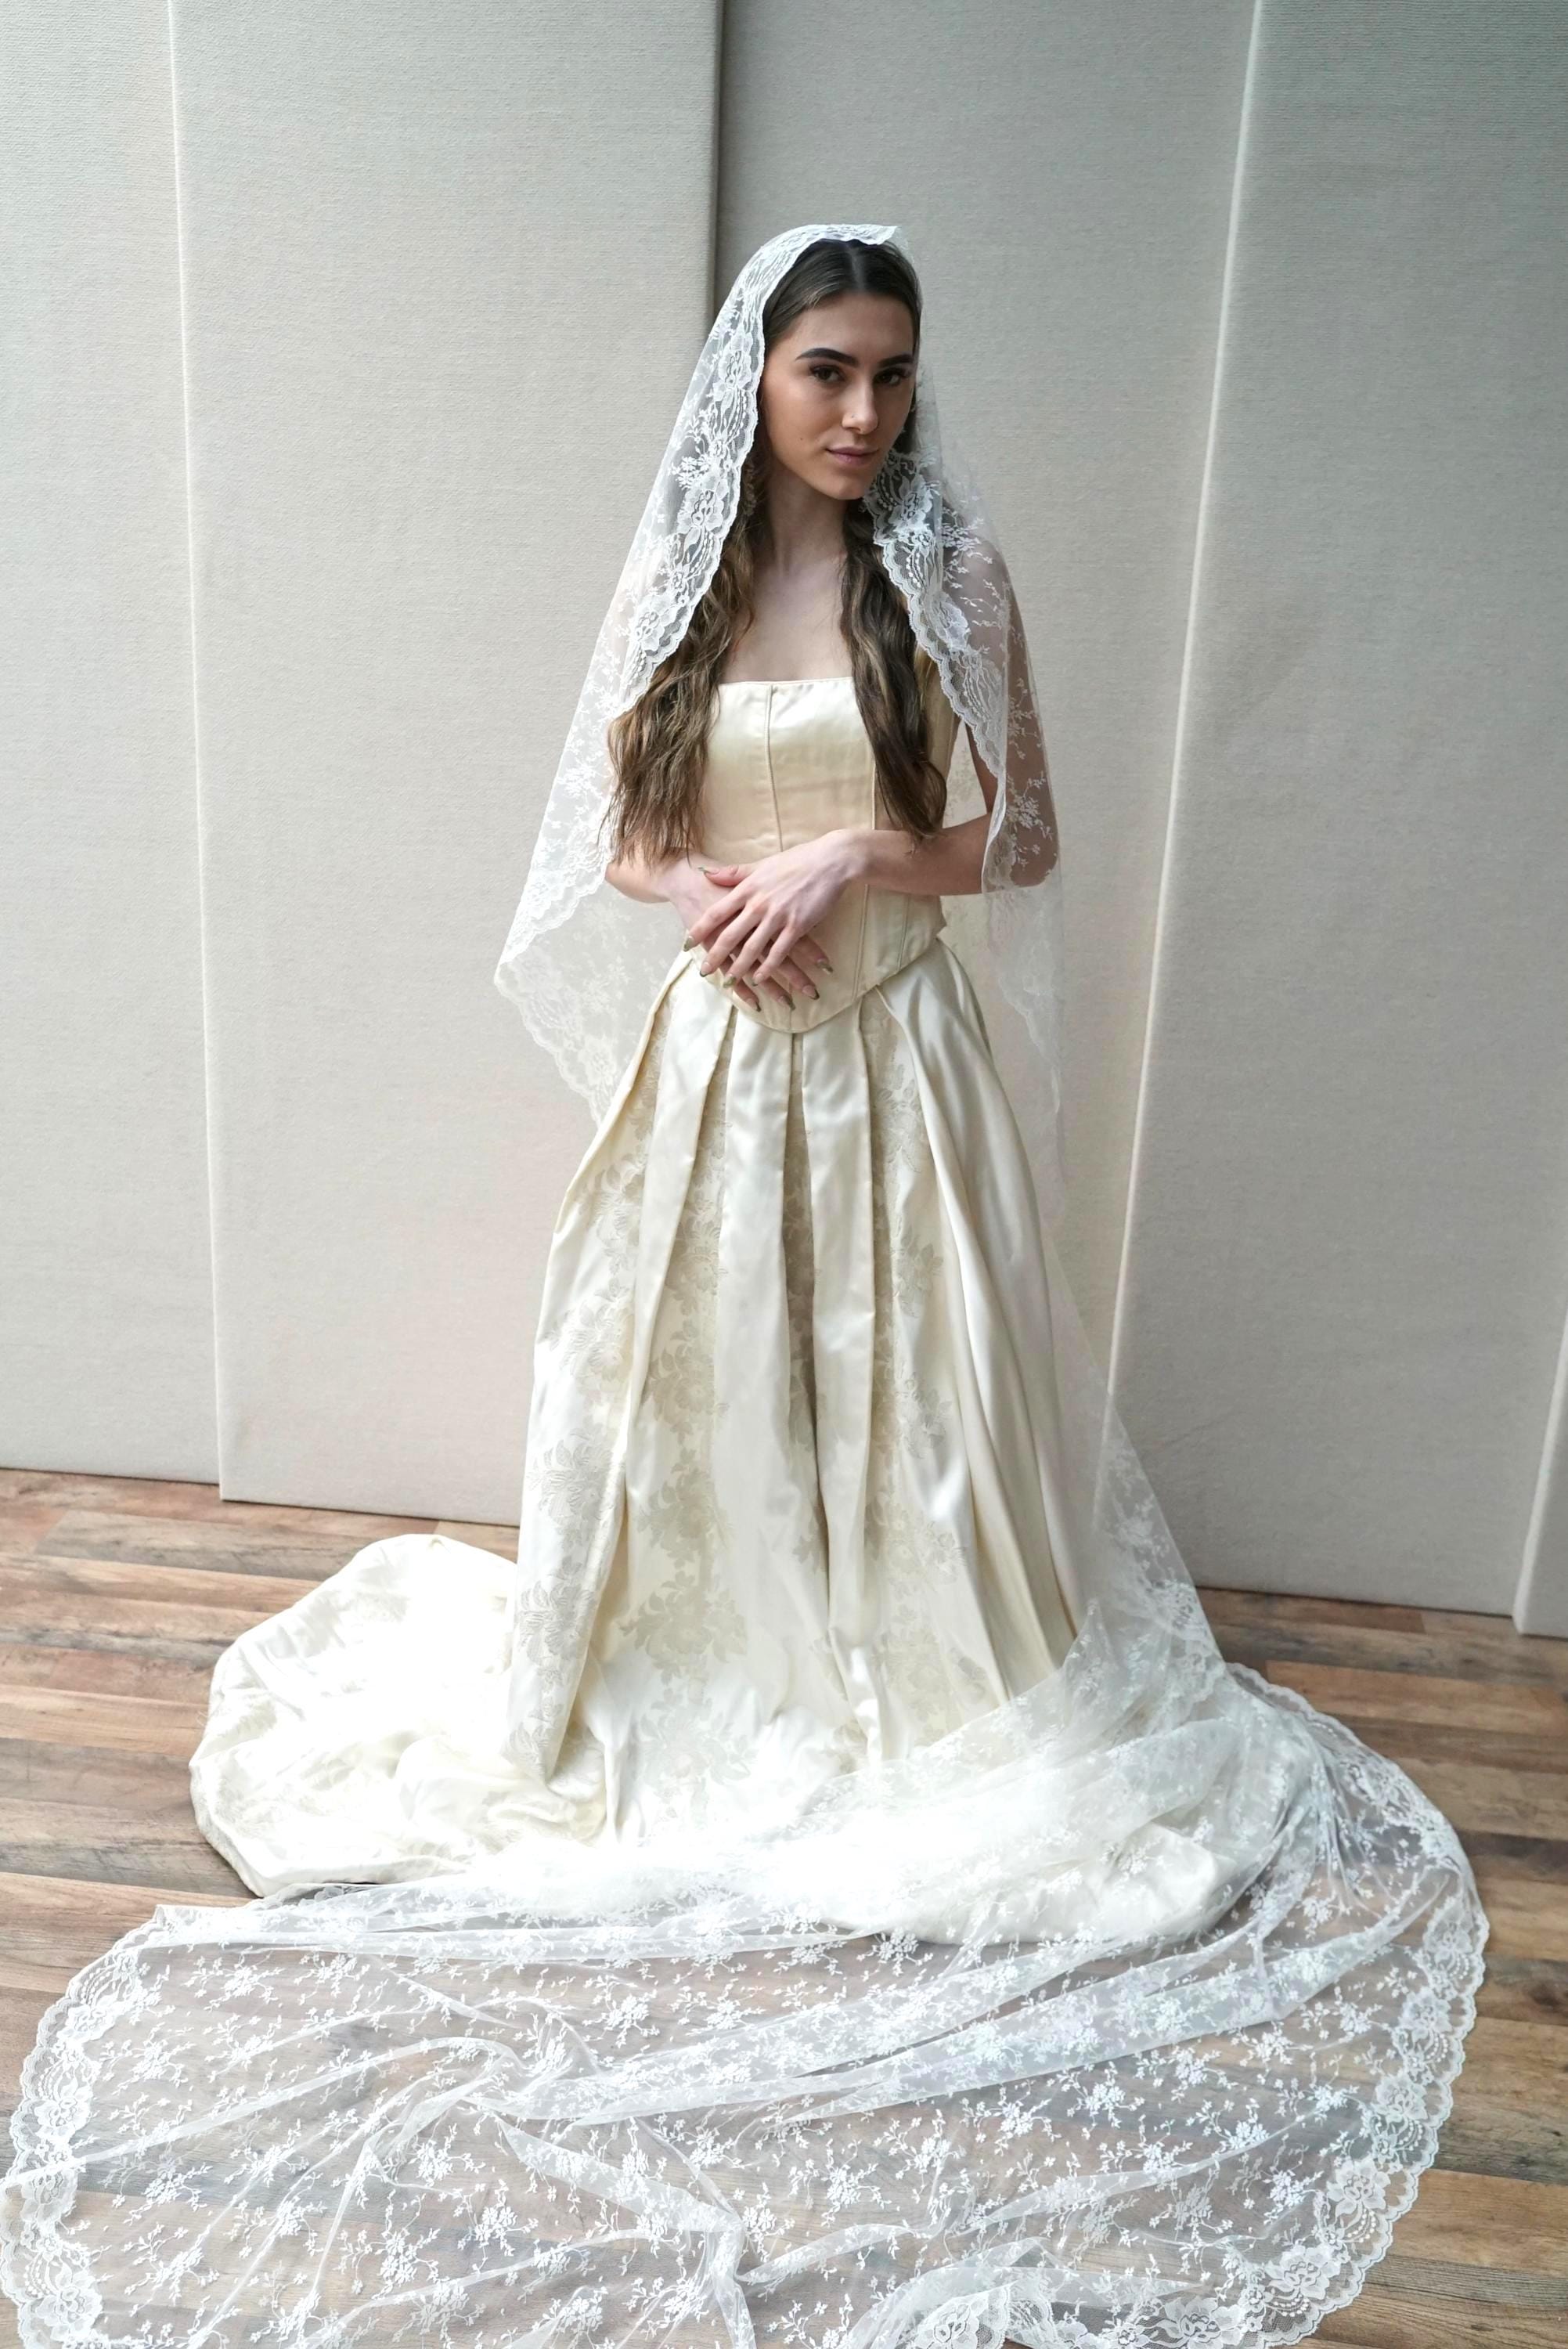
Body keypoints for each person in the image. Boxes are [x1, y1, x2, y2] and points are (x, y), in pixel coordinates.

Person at [0, 224, 1486, 2349]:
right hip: (726, 1054)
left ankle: (921, 1682)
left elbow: (1023, 842)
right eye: (827, 372)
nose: (866, 412)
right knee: (686, 1402)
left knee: (924, 1404)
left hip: (895, 1057)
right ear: (757, 383)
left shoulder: (948, 579)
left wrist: (850, 853)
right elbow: (613, 838)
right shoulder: (683, 582)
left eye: (893, 372)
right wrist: (707, 888)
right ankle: (703, 1663)